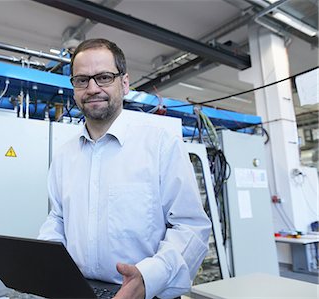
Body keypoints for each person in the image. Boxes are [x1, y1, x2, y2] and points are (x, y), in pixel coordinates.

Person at [38, 38, 211, 299]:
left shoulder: (161, 145)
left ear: (125, 83)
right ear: (73, 87)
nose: (92, 88)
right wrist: (47, 261)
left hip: (147, 293)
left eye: (104, 77)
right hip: (79, 291)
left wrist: (148, 277)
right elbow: (58, 219)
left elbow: (190, 227)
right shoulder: (64, 155)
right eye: (82, 80)